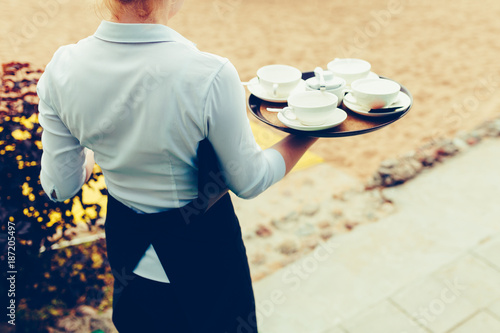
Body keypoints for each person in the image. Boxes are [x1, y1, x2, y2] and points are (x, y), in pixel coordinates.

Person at [37, 0, 318, 331]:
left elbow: (59, 185)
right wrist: (311, 130)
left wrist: (98, 142)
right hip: (206, 266)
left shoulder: (61, 69)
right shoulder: (209, 73)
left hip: (131, 263)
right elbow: (250, 181)